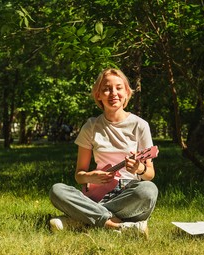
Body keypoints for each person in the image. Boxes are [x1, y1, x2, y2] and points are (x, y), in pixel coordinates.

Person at [49, 68, 158, 238]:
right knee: (57, 190)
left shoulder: (140, 125)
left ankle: (82, 220)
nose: (113, 93)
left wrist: (139, 169)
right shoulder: (91, 126)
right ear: (98, 95)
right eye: (106, 89)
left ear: (127, 92)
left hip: (126, 197)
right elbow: (79, 175)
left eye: (119, 88)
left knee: (148, 190)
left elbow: (149, 174)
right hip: (95, 196)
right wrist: (90, 177)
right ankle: (117, 224)